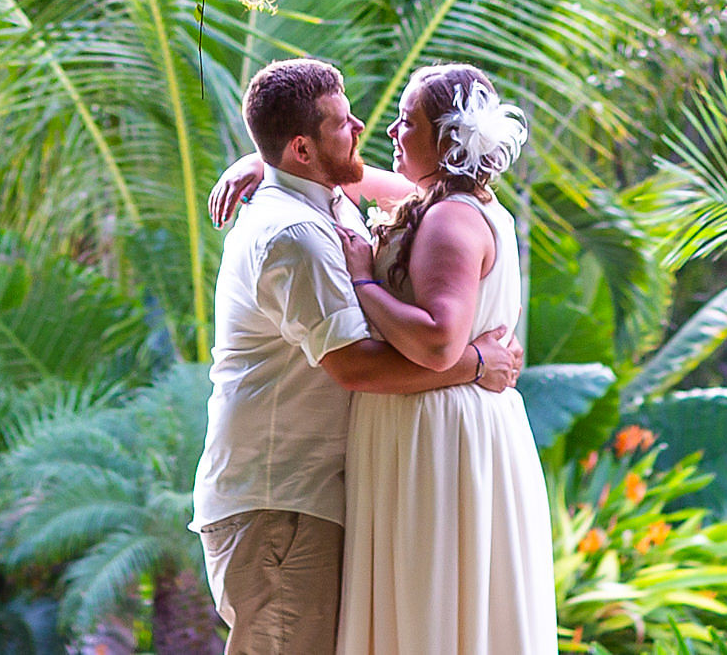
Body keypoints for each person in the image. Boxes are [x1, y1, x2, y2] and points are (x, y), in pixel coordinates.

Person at [195, 59, 524, 655]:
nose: (367, 129)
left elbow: (408, 188)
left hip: (320, 493)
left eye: (401, 120)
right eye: (344, 123)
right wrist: (477, 365)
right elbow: (357, 367)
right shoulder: (294, 233)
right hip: (279, 502)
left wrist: (267, 163)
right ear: (303, 148)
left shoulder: (336, 203)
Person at [330, 65, 557, 655]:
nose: (392, 133)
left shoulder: (451, 218)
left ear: (447, 141)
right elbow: (373, 184)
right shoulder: (451, 201)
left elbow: (437, 342)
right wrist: (267, 164)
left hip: (436, 439)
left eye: (406, 123)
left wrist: (362, 280)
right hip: (446, 424)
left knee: (429, 606)